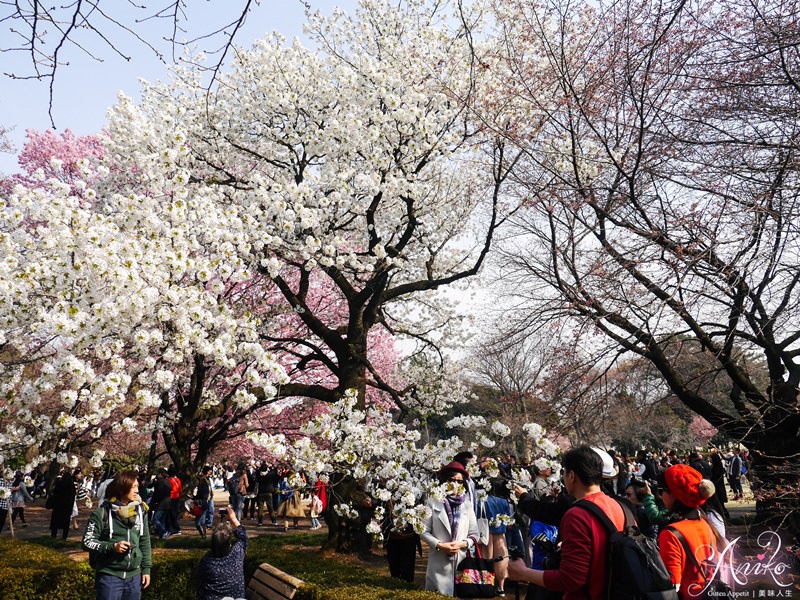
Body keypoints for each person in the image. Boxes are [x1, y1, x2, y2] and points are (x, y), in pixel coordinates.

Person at [508, 446, 625, 600]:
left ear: (571, 475)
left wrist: (523, 573)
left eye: (563, 472)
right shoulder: (617, 506)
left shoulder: (577, 515)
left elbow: (571, 579)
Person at [82, 470, 152, 600]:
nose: (137, 490)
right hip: (109, 577)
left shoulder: (141, 511)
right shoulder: (102, 512)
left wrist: (146, 569)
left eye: (137, 486)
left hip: (134, 577)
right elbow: (87, 541)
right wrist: (112, 547)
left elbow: (145, 541)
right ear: (122, 488)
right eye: (133, 487)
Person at [656, 464, 724, 599]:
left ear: (674, 495)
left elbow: (672, 584)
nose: (659, 496)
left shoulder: (671, 534)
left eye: (661, 490)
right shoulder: (705, 524)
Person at [420, 461, 481, 596]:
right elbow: (423, 530)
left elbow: (474, 533)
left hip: (461, 563)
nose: (455, 484)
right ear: (444, 481)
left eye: (460, 481)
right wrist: (439, 545)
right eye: (451, 480)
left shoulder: (466, 503)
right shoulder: (432, 501)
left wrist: (464, 543)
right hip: (438, 562)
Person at [197, 505, 248, 600]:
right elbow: (243, 536)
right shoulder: (237, 552)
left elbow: (200, 578)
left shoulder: (207, 561)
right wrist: (233, 519)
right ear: (229, 543)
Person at [48, 469, 77, 539]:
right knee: (66, 523)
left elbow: (54, 492)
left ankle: (53, 535)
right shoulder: (72, 486)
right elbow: (73, 496)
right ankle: (64, 537)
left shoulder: (60, 484)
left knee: (55, 522)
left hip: (58, 506)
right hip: (67, 507)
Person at [149, 468, 172, 540]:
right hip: (168, 502)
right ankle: (163, 537)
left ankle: (164, 532)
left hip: (161, 503)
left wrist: (152, 503)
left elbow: (156, 494)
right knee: (162, 520)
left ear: (160, 474)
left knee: (155, 519)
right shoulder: (168, 482)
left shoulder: (160, 482)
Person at [255, 461, 279, 526]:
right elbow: (276, 476)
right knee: (270, 507)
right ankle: (273, 520)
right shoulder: (270, 474)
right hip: (268, 492)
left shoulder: (258, 474)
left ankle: (260, 521)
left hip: (261, 492)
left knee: (260, 508)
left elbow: (257, 473)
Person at [194, 466, 213, 539]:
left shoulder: (203, 482)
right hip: (204, 502)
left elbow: (203, 494)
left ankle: (203, 536)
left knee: (198, 522)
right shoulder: (206, 481)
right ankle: (204, 536)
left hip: (202, 502)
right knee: (202, 521)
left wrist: (195, 497)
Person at [167, 465, 183, 535]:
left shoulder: (169, 480)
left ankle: (175, 528)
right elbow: (180, 489)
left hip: (171, 498)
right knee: (174, 513)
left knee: (171, 513)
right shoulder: (178, 480)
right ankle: (174, 528)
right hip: (177, 497)